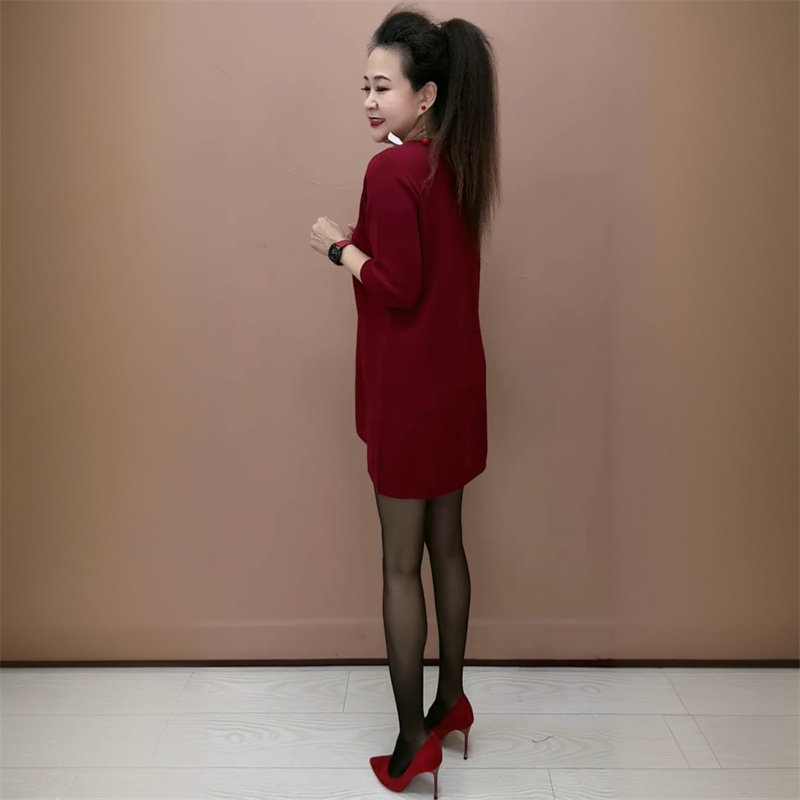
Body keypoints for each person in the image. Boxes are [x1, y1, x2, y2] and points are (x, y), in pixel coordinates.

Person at [310, 4, 500, 796]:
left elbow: (397, 282)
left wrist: (337, 247)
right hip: (456, 388)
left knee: (399, 563)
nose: (368, 100)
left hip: (409, 393)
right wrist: (363, 242)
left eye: (382, 87)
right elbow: (424, 258)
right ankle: (451, 700)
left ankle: (411, 743)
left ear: (425, 95)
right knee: (447, 546)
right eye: (364, 86)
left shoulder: (390, 171)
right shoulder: (458, 162)